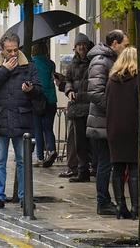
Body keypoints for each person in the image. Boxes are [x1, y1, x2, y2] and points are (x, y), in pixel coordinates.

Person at [0, 32, 41, 209]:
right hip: (0, 119)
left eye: (16, 50)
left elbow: (39, 90)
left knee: (23, 161)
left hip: (22, 118)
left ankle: (24, 197)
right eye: (9, 51)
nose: (13, 54)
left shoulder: (29, 66)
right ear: (2, 50)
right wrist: (4, 71)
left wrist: (30, 89)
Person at [87, 29, 130, 215]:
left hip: (107, 121)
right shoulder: (100, 61)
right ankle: (103, 202)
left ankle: (107, 200)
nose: (127, 48)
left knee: (111, 163)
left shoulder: (110, 60)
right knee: (105, 163)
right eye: (125, 45)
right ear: (115, 44)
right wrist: (115, 110)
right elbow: (96, 93)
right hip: (102, 122)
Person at [106, 47, 140, 220]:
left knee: (117, 168)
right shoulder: (138, 80)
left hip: (114, 129)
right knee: (134, 169)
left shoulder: (111, 81)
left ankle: (120, 206)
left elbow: (107, 105)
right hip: (132, 129)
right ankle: (135, 207)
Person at [61, 33, 95, 181]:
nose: (81, 47)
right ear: (75, 47)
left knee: (93, 142)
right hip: (76, 108)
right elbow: (68, 80)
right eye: (79, 45)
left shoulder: (93, 62)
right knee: (79, 142)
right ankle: (83, 171)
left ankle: (95, 168)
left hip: (90, 106)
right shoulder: (72, 64)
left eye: (83, 44)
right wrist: (69, 90)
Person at [31, 41, 58, 168]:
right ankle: (52, 150)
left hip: (37, 99)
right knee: (48, 128)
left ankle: (40, 157)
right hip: (51, 99)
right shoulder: (51, 63)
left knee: (37, 129)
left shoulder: (31, 62)